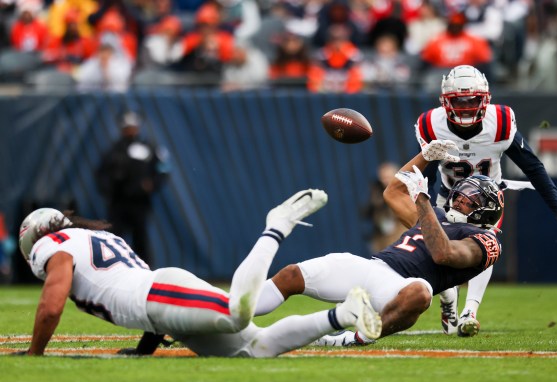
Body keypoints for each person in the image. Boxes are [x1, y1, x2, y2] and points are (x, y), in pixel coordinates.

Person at [14, 189, 382, 357]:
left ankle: (276, 227)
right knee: (255, 349)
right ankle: (343, 313)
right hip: (159, 302)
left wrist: (34, 355)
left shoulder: (54, 245)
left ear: (35, 237)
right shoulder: (88, 235)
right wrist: (144, 350)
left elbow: (51, 306)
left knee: (238, 315)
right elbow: (125, 291)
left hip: (158, 294)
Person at [254, 144, 503, 345]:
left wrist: (422, 200)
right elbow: (393, 193)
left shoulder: (486, 240)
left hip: (399, 287)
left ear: (487, 211)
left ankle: (353, 339)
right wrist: (424, 156)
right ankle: (232, 309)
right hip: (373, 265)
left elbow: (443, 253)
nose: (458, 202)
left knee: (421, 292)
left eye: (468, 201)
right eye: (458, 196)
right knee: (291, 275)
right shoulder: (436, 214)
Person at [410, 65, 557, 337]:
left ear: (485, 99)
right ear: (445, 101)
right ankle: (449, 303)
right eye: (459, 101)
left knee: (484, 247)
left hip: (487, 200)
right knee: (439, 254)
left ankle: (470, 312)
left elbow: (533, 166)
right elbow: (425, 173)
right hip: (448, 196)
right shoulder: (432, 124)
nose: (466, 107)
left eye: (472, 100)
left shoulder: (500, 123)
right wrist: (426, 207)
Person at [95, 111, 168, 266]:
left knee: (140, 239)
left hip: (139, 203)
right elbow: (101, 174)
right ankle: (111, 268)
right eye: (127, 127)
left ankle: (145, 272)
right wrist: (109, 190)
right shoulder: (114, 150)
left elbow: (163, 169)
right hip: (118, 203)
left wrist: (152, 184)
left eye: (133, 126)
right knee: (114, 238)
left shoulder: (148, 148)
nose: (131, 130)